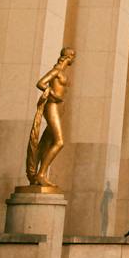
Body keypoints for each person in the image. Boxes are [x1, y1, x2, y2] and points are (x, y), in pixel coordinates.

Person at [26, 47, 76, 187]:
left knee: (46, 142)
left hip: (59, 108)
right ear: (68, 57)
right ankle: (41, 174)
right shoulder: (57, 71)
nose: (74, 59)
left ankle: (38, 174)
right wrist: (52, 94)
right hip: (52, 106)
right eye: (73, 56)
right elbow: (41, 83)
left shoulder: (63, 73)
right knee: (59, 142)